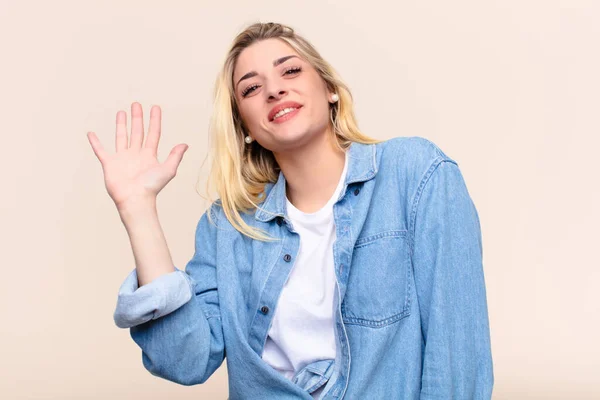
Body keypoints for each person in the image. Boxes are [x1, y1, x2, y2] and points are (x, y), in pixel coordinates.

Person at [87, 22, 493, 399]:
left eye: (291, 71)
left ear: (329, 88)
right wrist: (138, 210)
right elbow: (184, 360)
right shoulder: (225, 228)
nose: (274, 90)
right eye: (250, 89)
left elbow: (458, 358)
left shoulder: (416, 175)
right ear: (245, 127)